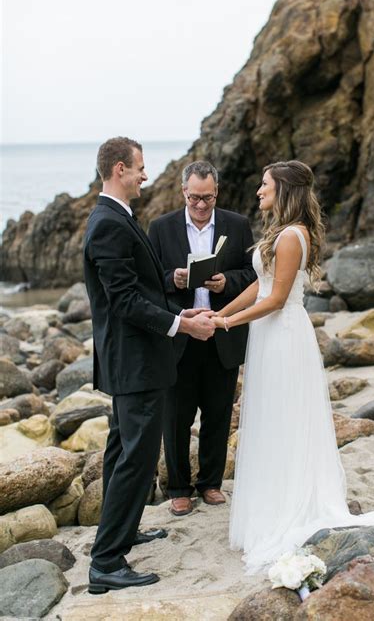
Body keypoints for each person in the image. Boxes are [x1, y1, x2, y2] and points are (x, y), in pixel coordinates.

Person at [212, 160, 374, 573]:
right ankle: (272, 503)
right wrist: (224, 310)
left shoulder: (293, 235)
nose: (258, 191)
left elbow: (275, 300)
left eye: (265, 185)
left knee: (286, 421)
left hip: (284, 337)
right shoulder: (280, 232)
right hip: (268, 336)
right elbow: (260, 285)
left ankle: (290, 506)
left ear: (284, 191)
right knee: (271, 421)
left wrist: (224, 322)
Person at [83, 137, 215, 593]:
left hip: (134, 361)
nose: (145, 174)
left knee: (122, 451)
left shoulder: (117, 217)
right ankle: (106, 563)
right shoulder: (107, 223)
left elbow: (138, 284)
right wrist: (181, 324)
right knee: (136, 459)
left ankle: (121, 533)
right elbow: (122, 301)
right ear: (120, 168)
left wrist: (172, 283)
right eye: (140, 167)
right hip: (135, 362)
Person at [148, 161, 256, 516]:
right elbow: (148, 281)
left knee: (218, 412)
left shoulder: (237, 225)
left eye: (207, 198)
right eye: (194, 197)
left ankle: (210, 483)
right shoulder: (161, 228)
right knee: (176, 417)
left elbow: (252, 276)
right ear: (183, 192)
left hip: (221, 331)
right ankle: (178, 488)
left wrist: (227, 282)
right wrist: (173, 280)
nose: (200, 205)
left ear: (217, 192)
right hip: (180, 332)